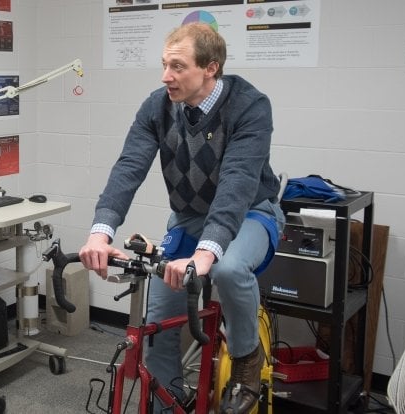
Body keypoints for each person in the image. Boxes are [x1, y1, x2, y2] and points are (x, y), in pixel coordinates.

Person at [78, 22, 284, 414]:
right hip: (188, 218)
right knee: (158, 320)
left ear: (210, 68)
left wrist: (208, 252)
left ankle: (246, 361)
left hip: (251, 213)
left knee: (229, 268)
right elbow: (128, 169)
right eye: (163, 64)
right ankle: (166, 402)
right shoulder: (157, 106)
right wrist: (100, 233)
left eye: (177, 66)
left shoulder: (249, 105)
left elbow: (237, 183)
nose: (165, 76)